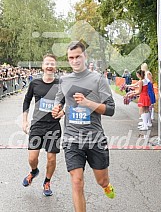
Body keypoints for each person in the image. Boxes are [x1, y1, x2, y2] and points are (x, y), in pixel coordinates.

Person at [52, 41, 116, 212]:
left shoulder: (98, 79)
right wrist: (57, 110)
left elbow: (110, 109)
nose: (75, 61)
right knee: (76, 181)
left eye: (78, 56)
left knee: (102, 180)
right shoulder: (64, 80)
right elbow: (59, 101)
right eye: (71, 58)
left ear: (85, 56)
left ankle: (106, 186)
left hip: (95, 138)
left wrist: (88, 103)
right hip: (72, 138)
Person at [22, 54, 64, 196]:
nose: (49, 66)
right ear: (42, 66)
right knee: (32, 158)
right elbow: (26, 101)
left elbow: (69, 102)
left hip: (53, 126)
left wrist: (62, 112)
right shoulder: (35, 83)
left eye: (52, 63)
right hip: (37, 125)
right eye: (47, 63)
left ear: (55, 66)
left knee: (51, 158)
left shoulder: (61, 84)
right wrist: (25, 120)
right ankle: (34, 171)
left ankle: (47, 182)